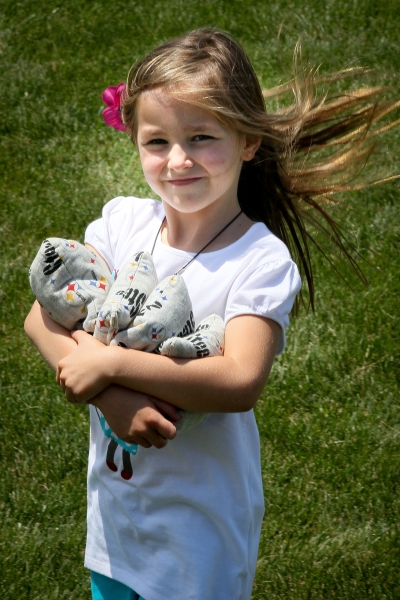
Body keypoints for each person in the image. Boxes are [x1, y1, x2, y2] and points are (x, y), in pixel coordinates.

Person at [24, 27, 398, 600]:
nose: (178, 160)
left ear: (248, 140)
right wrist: (111, 398)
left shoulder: (258, 260)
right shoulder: (122, 224)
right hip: (117, 524)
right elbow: (42, 315)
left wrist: (108, 366)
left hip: (197, 539)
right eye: (157, 141)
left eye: (201, 137)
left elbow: (239, 379)